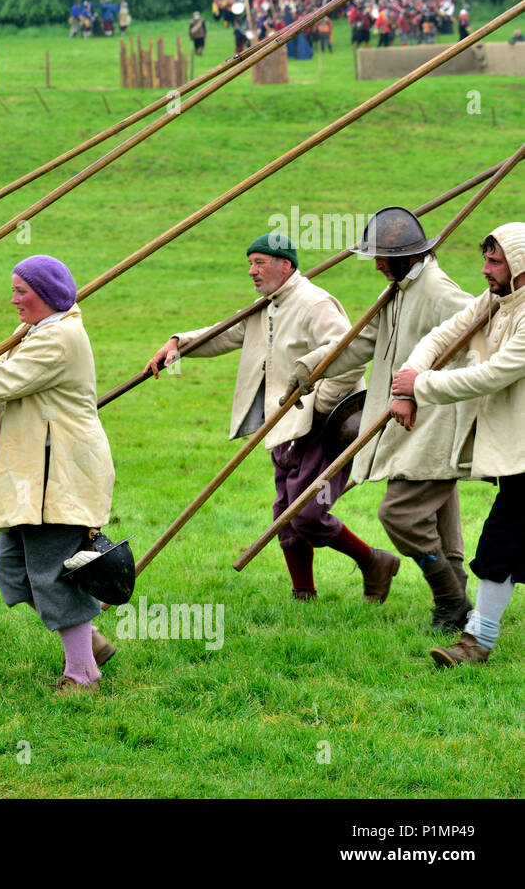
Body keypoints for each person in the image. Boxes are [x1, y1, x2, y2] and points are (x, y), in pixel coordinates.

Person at [145, 233, 401, 601]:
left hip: (325, 428)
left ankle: (373, 561)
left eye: (259, 262)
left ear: (286, 264)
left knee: (308, 514)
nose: (251, 271)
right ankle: (303, 597)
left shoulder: (315, 303)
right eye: (249, 263)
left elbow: (351, 355)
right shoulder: (266, 306)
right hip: (284, 425)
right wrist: (177, 344)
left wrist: (320, 406)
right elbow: (225, 333)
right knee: (286, 514)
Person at [0, 255, 117, 692]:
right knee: (13, 570)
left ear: (46, 295)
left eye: (21, 291)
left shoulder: (60, 338)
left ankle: (82, 673)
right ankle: (89, 643)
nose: (12, 300)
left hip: (58, 473)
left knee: (51, 571)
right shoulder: (33, 332)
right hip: (32, 475)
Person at [290, 208, 474, 629]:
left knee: (400, 515)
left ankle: (451, 600)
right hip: (411, 426)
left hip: (433, 424)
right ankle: (456, 602)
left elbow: (479, 333)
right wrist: (310, 369)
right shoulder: (397, 290)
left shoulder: (438, 292)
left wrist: (433, 386)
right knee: (442, 518)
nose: (374, 265)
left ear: (406, 257)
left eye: (380, 257)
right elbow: (361, 342)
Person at [391, 224, 525, 668]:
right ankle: (476, 641)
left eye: (495, 261)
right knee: (506, 545)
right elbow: (442, 336)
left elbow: (493, 374)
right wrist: (406, 387)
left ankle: (474, 644)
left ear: (520, 264)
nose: (485, 270)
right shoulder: (494, 301)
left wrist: (422, 385)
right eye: (486, 259)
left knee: (497, 546)